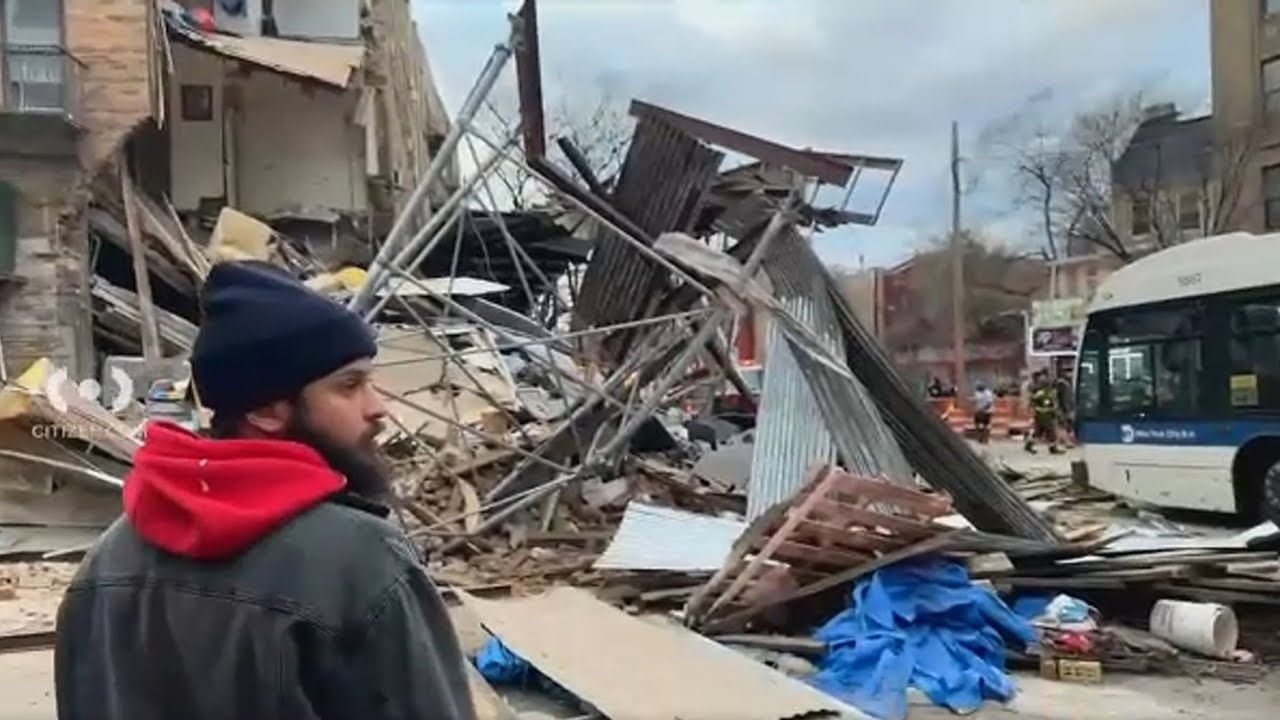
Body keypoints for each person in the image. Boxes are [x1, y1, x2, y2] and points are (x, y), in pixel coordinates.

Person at [55, 261, 476, 720]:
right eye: (350, 385)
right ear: (267, 412)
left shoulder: (109, 556)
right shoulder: (361, 561)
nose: (379, 408)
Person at [1025, 370, 1063, 455]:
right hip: (1044, 416)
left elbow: (1053, 403)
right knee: (1051, 432)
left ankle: (1029, 445)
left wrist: (1054, 409)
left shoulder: (1049, 393)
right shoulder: (1041, 394)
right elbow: (1033, 402)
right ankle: (1052, 448)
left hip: (1046, 415)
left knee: (1038, 432)